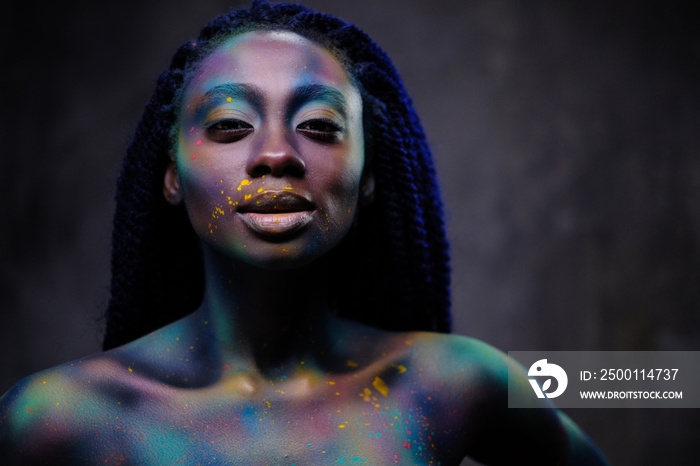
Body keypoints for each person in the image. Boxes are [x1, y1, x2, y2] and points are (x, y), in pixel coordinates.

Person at [0, 2, 607, 464]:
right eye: (231, 124)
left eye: (318, 125)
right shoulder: (62, 419)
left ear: (369, 175)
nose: (275, 155)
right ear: (171, 176)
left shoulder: (453, 384)